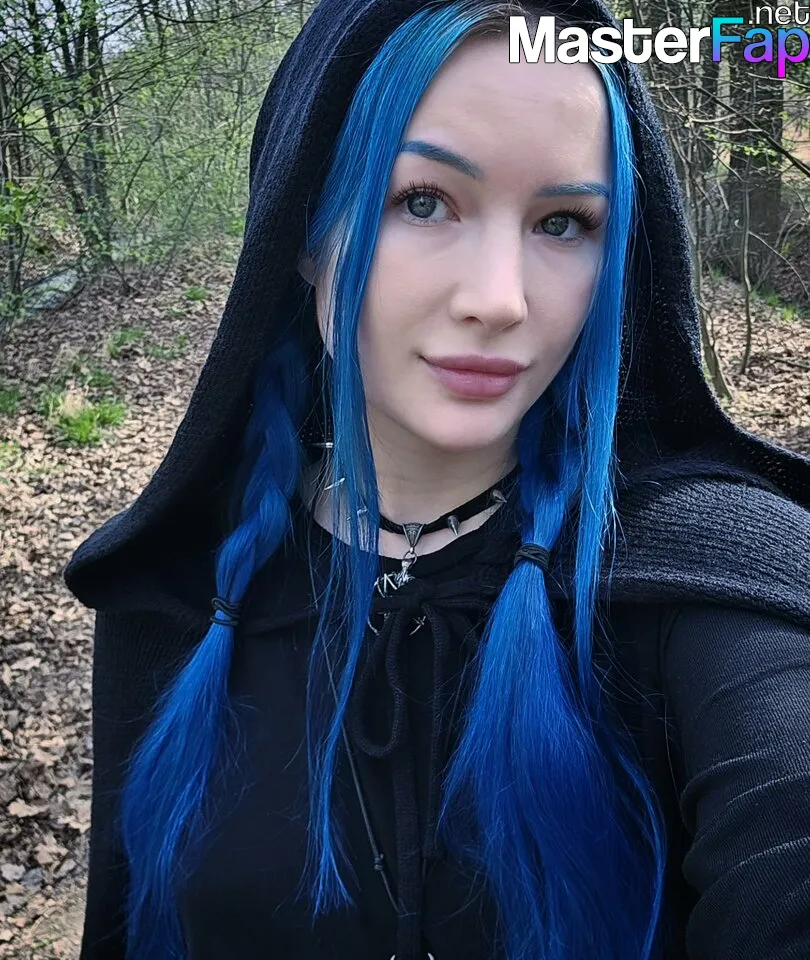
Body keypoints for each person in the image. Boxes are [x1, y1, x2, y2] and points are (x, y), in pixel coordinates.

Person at [64, 1, 810, 958]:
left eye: (563, 223)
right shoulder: (181, 592)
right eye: (424, 202)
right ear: (306, 231)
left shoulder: (702, 585)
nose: (500, 300)